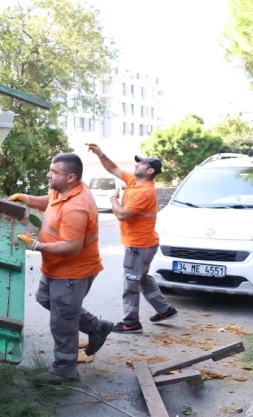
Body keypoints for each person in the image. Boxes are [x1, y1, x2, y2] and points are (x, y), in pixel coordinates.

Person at [10, 153, 113, 380]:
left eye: (54, 172)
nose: (49, 174)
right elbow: (49, 201)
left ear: (71, 177)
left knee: (62, 323)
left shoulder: (76, 207)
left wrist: (36, 245)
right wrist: (26, 198)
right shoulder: (63, 190)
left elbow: (72, 247)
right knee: (45, 299)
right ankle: (96, 327)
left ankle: (64, 372)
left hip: (72, 273)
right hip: (55, 268)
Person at [84, 143, 178, 333]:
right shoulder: (134, 182)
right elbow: (113, 168)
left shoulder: (144, 192)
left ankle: (131, 322)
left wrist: (113, 199)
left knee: (131, 282)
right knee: (142, 278)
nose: (137, 165)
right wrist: (101, 153)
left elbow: (122, 214)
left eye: (141, 164)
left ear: (150, 170)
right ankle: (165, 310)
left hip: (139, 246)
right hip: (143, 244)